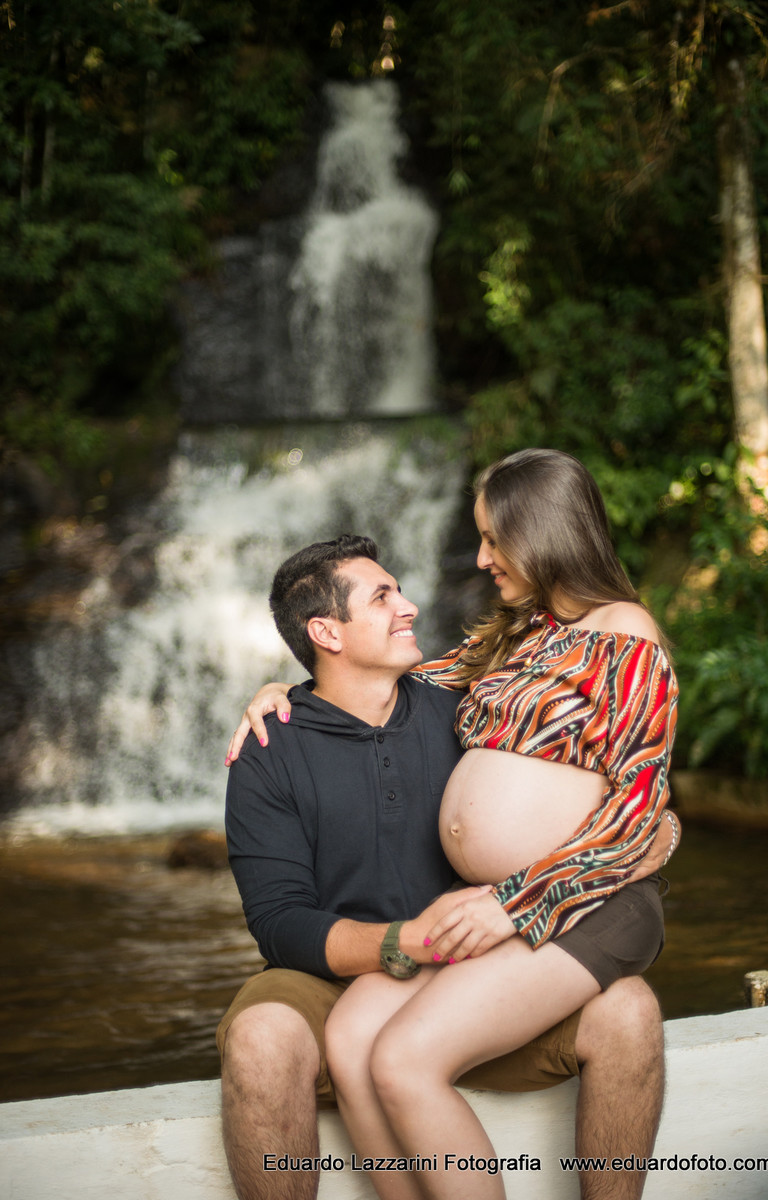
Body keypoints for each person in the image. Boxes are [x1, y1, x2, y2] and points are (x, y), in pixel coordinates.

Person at [221, 480, 678, 1199]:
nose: (482, 558)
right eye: (383, 597)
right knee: (349, 1039)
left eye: (493, 539)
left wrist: (519, 901)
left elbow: (638, 796)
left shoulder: (623, 632)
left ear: (540, 535)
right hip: (469, 922)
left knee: (402, 1057)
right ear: (327, 632)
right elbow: (368, 683)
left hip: (546, 906)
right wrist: (280, 691)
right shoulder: (511, 640)